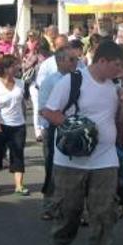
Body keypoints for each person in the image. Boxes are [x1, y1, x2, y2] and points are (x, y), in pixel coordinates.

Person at [42, 40, 123, 245]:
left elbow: (121, 122)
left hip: (105, 159)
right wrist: (75, 127)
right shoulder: (72, 81)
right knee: (70, 210)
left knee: (104, 211)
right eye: (116, 65)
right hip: (71, 160)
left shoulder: (115, 87)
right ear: (102, 61)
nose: (119, 70)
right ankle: (58, 241)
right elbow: (48, 111)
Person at [37, 43, 82, 220]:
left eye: (77, 59)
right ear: (59, 61)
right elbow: (43, 108)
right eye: (71, 59)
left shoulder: (81, 78)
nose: (75, 63)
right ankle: (49, 206)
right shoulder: (51, 81)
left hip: (77, 129)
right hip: (55, 129)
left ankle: (77, 208)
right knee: (53, 168)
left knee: (78, 168)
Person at [0, 54, 28, 194]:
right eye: (14, 65)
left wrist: (24, 118)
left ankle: (19, 185)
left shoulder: (20, 83)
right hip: (0, 124)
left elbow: (22, 102)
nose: (17, 67)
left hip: (18, 125)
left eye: (17, 65)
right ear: (5, 68)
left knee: (18, 153)